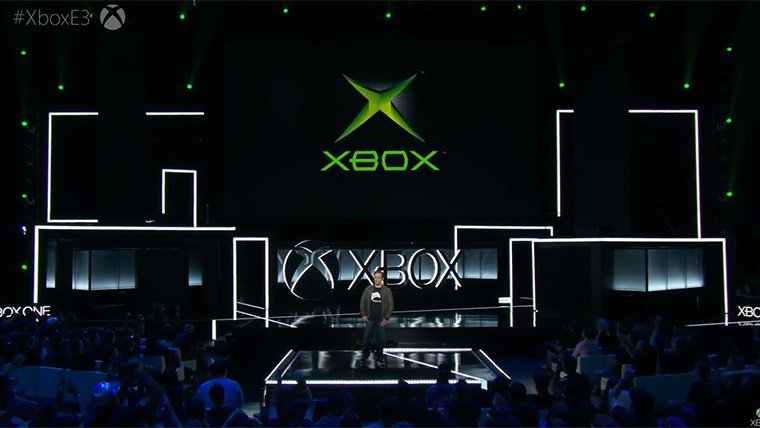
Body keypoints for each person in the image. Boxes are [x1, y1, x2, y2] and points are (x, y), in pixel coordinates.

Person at [359, 269, 394, 368]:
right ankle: (365, 355)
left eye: (379, 278)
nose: (376, 279)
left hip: (381, 320)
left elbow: (391, 305)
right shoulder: (368, 289)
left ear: (382, 279)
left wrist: (386, 318)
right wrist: (363, 315)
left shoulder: (387, 291)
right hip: (370, 319)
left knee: (381, 340)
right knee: (366, 339)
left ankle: (380, 358)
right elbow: (362, 302)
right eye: (375, 277)